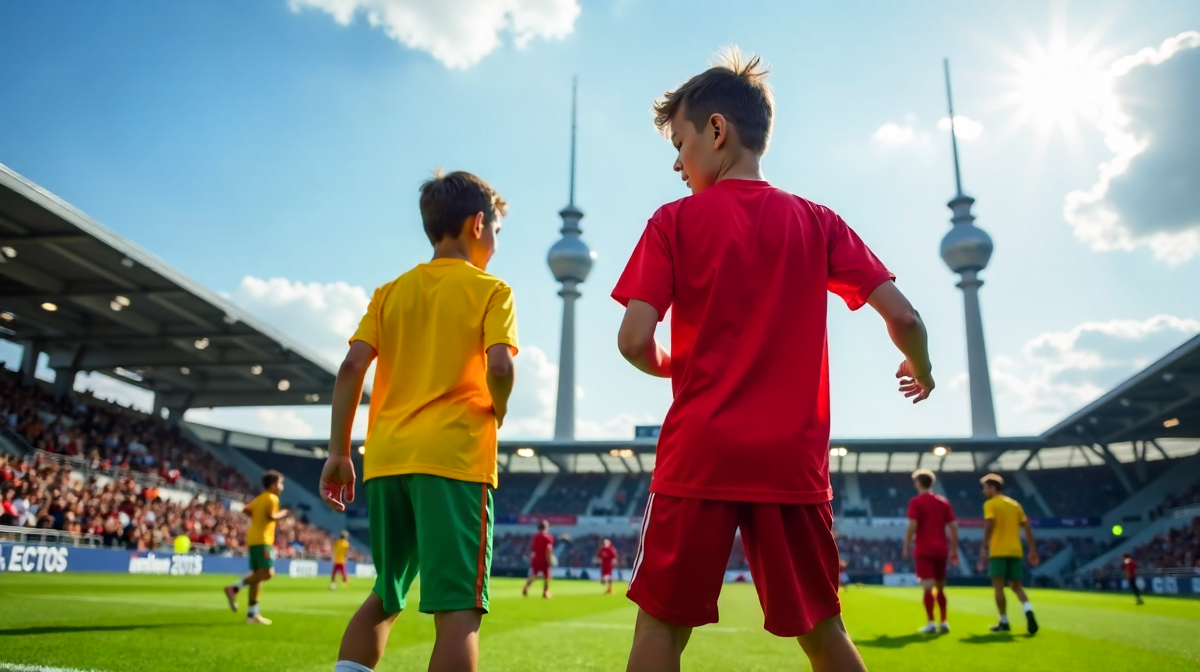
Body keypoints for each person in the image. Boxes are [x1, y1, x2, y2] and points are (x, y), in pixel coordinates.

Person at [611, 47, 934, 672]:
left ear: (716, 130)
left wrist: (673, 363)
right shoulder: (819, 222)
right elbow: (906, 319)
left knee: (660, 629)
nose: (676, 164)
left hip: (700, 454)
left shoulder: (672, 222)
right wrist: (920, 367)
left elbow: (632, 341)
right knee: (824, 631)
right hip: (791, 462)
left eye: (679, 144)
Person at [317, 170, 517, 672]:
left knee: (386, 595)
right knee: (458, 611)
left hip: (387, 461)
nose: (496, 243)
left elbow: (351, 368)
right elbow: (499, 367)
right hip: (454, 459)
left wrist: (339, 452)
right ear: (478, 224)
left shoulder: (389, 292)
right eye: (496, 231)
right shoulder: (492, 289)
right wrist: (498, 408)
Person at [224, 470, 290, 625]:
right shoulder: (272, 498)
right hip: (263, 540)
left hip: (253, 538)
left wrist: (257, 520)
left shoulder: (260, 498)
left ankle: (252, 615)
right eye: (280, 483)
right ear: (273, 485)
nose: (282, 487)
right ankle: (234, 588)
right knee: (267, 573)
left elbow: (246, 509)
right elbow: (271, 516)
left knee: (257, 577)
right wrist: (283, 513)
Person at [978, 474, 1039, 635]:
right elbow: (1027, 527)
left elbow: (989, 524)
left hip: (998, 551)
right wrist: (1032, 549)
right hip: (1015, 551)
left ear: (992, 487)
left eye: (985, 488)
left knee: (999, 588)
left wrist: (984, 546)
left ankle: (1004, 621)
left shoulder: (990, 504)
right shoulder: (1015, 505)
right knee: (1017, 587)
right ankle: (1028, 609)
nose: (984, 491)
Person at [902, 469, 958, 634]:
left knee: (927, 587)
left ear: (918, 483)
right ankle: (944, 621)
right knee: (940, 587)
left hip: (924, 549)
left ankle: (931, 622)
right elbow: (953, 526)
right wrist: (954, 549)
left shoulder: (916, 502)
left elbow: (913, 524)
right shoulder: (943, 502)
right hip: (941, 549)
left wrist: (906, 543)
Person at [522, 520, 555, 599]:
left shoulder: (536, 537)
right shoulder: (548, 537)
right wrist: (549, 560)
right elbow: (548, 549)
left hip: (536, 558)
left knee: (534, 574)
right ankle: (545, 592)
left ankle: (526, 587)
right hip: (544, 559)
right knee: (547, 576)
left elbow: (533, 549)